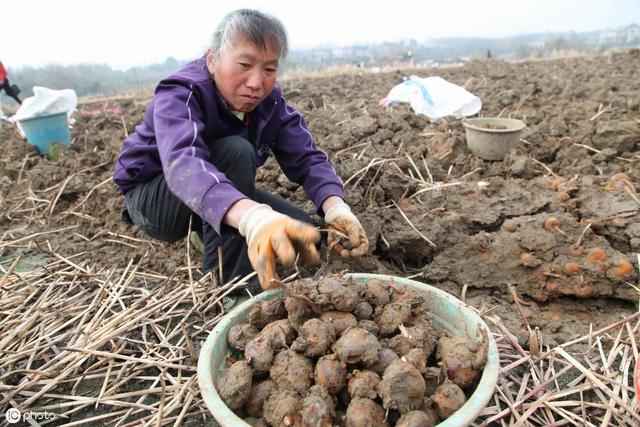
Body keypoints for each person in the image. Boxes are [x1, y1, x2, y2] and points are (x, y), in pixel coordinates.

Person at [113, 9, 368, 294]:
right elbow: (183, 164)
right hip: (156, 200)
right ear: (212, 59)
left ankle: (210, 226)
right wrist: (252, 218)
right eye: (244, 64)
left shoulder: (269, 103)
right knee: (236, 151)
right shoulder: (181, 93)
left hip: (217, 188)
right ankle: (231, 290)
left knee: (302, 231)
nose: (256, 83)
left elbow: (307, 156)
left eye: (269, 70)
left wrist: (336, 208)